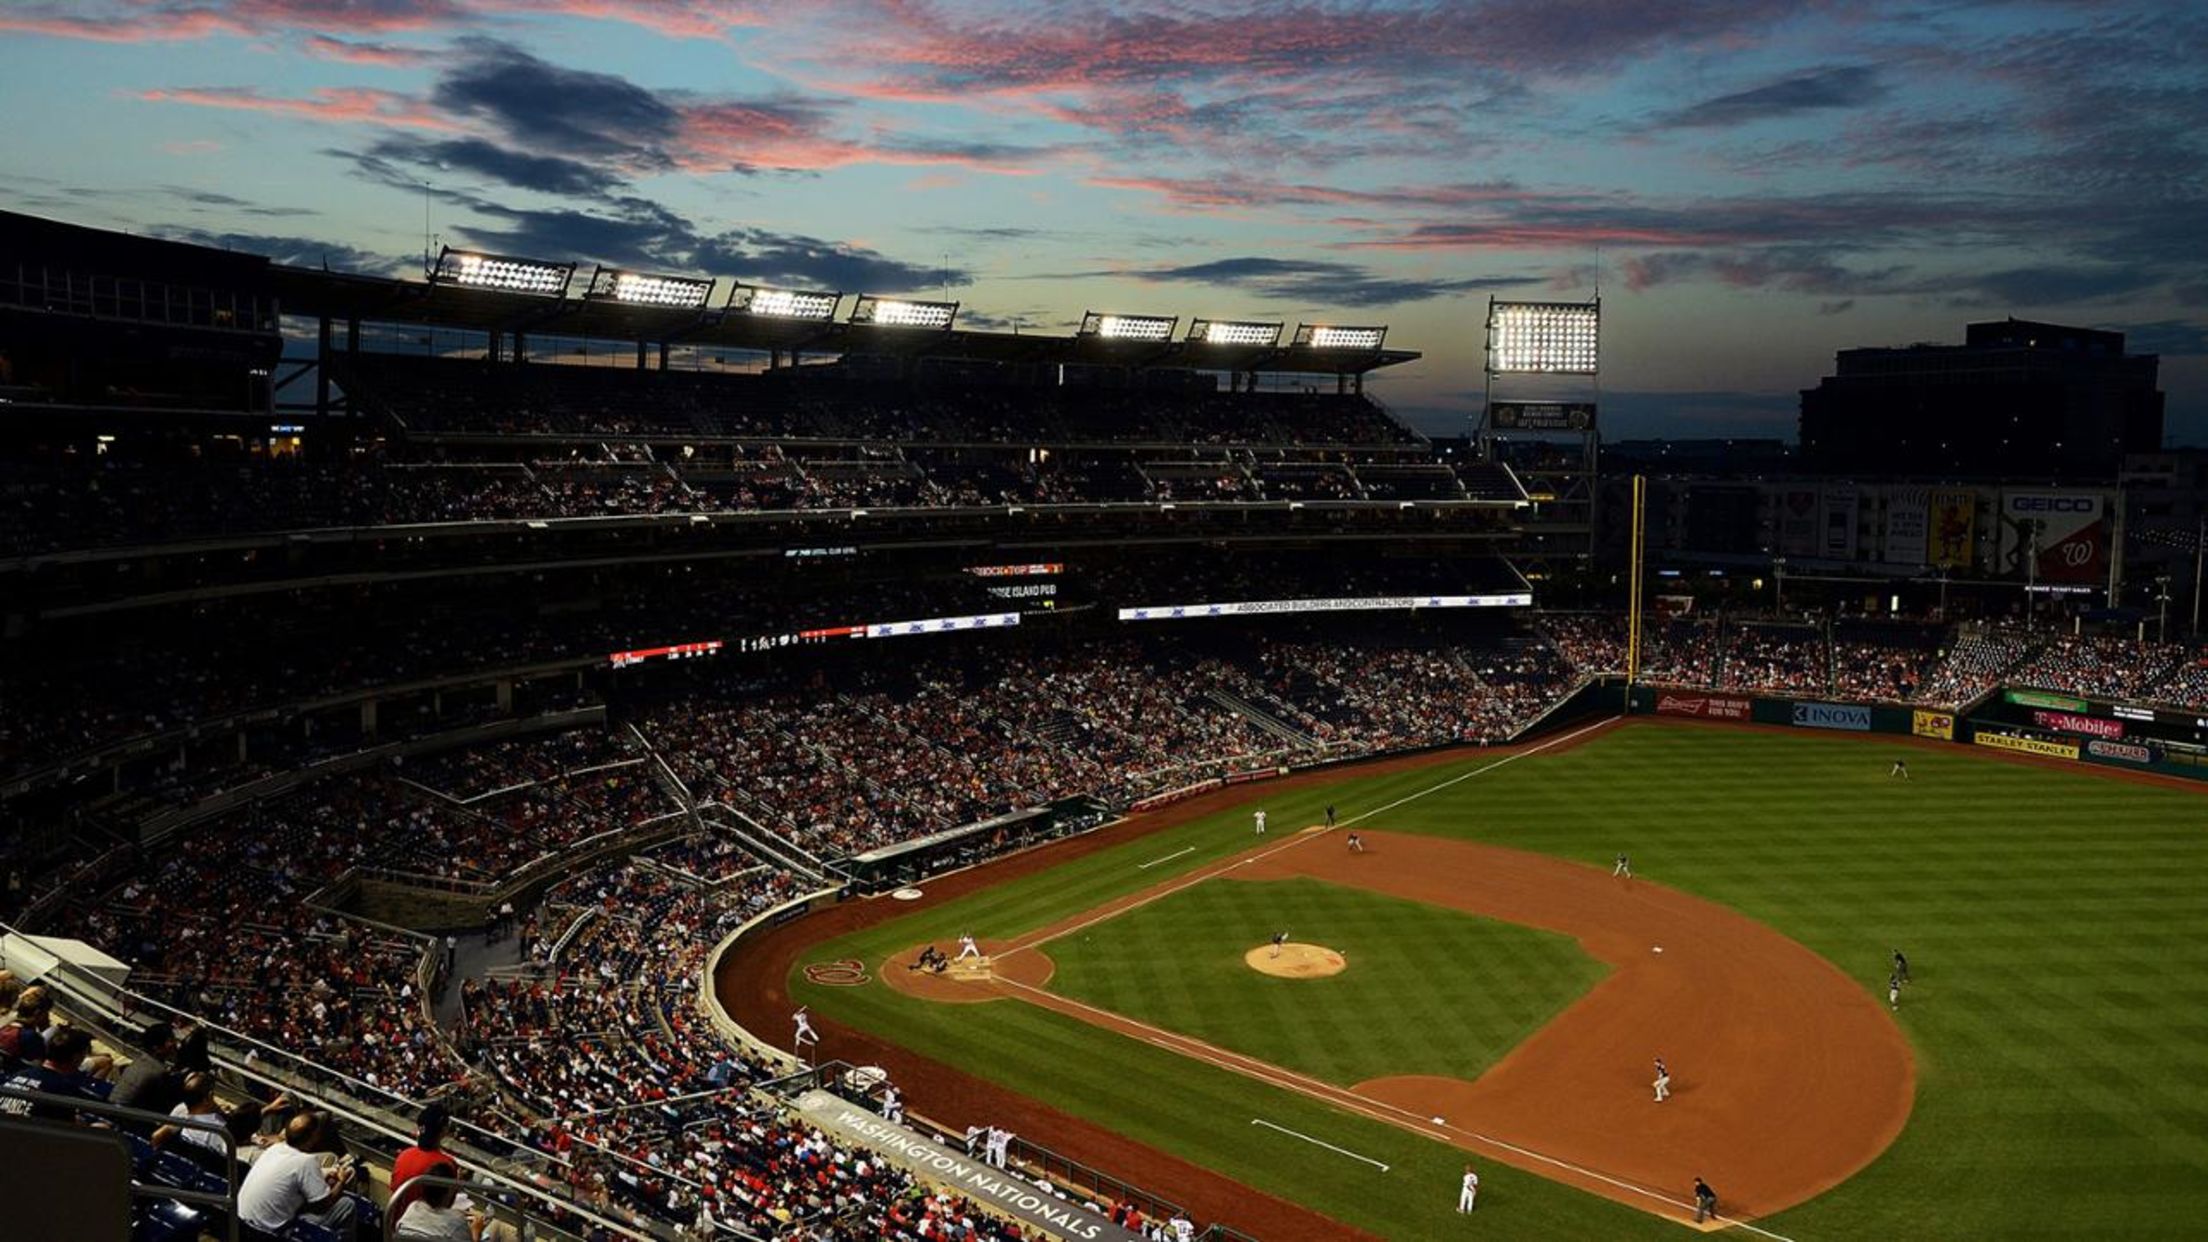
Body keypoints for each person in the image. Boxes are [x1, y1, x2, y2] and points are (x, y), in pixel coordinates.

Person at [236, 1111, 359, 1241]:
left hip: (241, 1223)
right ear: (313, 1137)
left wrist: (323, 1174)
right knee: (347, 1205)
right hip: (269, 1233)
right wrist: (341, 1181)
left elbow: (290, 1175)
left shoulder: (275, 1149)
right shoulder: (306, 1161)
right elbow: (323, 1205)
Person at [0, 1027, 103, 1122]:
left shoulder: (19, 1075)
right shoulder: (62, 1088)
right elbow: (66, 1129)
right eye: (84, 1054)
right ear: (76, 1057)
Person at [391, 1102, 460, 1221]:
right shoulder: (447, 1165)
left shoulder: (403, 1155)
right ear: (444, 1130)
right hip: (423, 1229)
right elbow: (445, 1206)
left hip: (397, 1226)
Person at [111, 1021, 187, 1119]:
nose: (175, 1044)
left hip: (114, 1108)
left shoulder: (139, 1060)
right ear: (156, 1048)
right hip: (126, 1118)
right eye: (170, 1040)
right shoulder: (159, 1072)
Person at [393, 1179, 483, 1241]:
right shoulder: (457, 1222)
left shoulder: (413, 1207)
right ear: (448, 1193)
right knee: (495, 1225)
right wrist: (476, 1232)